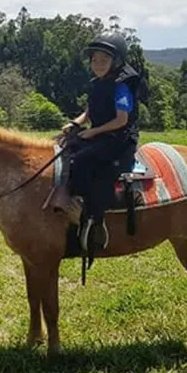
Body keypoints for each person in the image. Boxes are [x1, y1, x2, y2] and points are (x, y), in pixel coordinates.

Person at [61, 31, 146, 251]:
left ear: (116, 61)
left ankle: (91, 215)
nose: (98, 64)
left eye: (104, 60)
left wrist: (93, 132)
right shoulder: (98, 82)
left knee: (81, 160)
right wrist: (76, 124)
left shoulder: (121, 86)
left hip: (119, 140)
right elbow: (89, 111)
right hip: (100, 135)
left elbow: (121, 120)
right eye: (94, 60)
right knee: (63, 149)